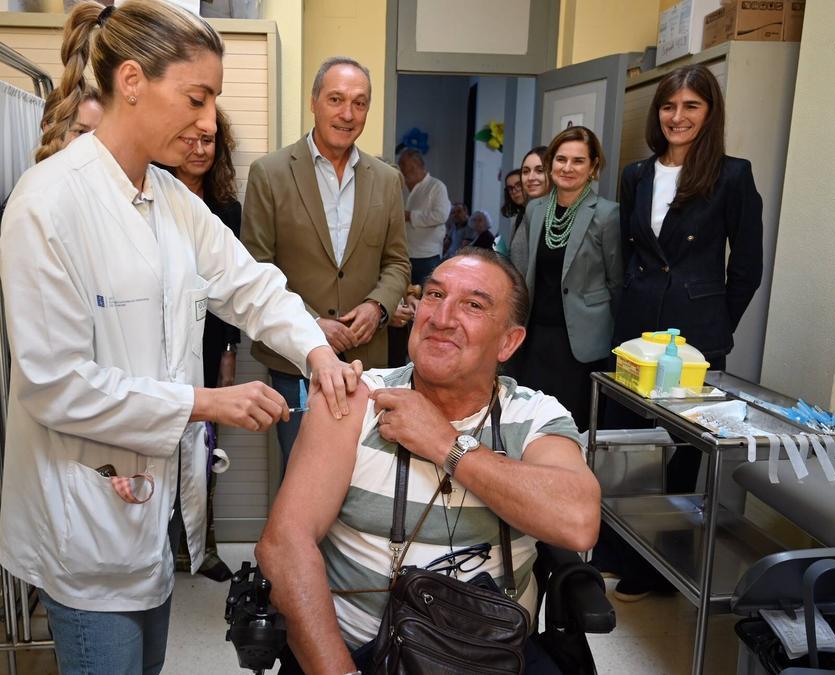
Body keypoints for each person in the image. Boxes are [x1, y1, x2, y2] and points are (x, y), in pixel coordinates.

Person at [0, 4, 361, 674]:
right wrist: (203, 403)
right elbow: (55, 385)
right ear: (131, 81)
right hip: (82, 525)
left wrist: (316, 351)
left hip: (146, 512)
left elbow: (251, 284)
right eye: (197, 97)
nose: (207, 120)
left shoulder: (170, 199)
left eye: (212, 99)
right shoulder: (48, 205)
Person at [257, 248, 602, 674]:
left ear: (508, 342)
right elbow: (284, 545)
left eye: (473, 305)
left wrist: (447, 444)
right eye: (434, 296)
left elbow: (579, 522)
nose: (441, 317)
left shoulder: (533, 416)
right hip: (364, 654)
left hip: (494, 653)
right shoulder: (356, 397)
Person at [601, 63, 763, 602]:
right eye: (669, 107)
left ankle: (663, 565)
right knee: (628, 443)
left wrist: (715, 327)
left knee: (682, 451)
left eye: (691, 106)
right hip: (636, 329)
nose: (677, 116)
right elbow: (630, 253)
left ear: (709, 113)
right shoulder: (635, 175)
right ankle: (618, 549)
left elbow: (746, 269)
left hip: (695, 336)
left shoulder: (733, 176)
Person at [242, 56, 410, 475]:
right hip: (295, 362)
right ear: (314, 102)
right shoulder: (270, 173)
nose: (348, 114)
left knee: (365, 478)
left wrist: (378, 307)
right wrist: (309, 323)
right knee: (302, 477)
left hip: (368, 363)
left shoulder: (387, 180)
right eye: (336, 99)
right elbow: (256, 269)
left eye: (359, 102)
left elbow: (397, 263)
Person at [160, 107, 242, 583]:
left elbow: (235, 289)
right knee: (162, 443)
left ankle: (202, 547)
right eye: (188, 139)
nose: (198, 149)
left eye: (208, 141)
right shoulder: (148, 195)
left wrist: (229, 352)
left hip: (211, 339)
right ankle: (165, 549)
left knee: (207, 450)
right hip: (163, 338)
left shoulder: (226, 206)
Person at [509, 125, 621, 431]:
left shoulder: (607, 214)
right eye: (561, 159)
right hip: (535, 338)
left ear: (594, 167)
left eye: (578, 161)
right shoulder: (536, 209)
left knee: (570, 426)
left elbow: (617, 283)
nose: (567, 168)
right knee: (529, 422)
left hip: (580, 344)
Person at [397, 147, 451, 285]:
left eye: (403, 165)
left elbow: (440, 216)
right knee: (405, 297)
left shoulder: (436, 187)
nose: (401, 169)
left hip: (427, 256)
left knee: (425, 297)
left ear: (416, 166)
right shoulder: (403, 187)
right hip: (404, 254)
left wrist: (410, 216)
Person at [36, 83, 102, 163]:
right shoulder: (39, 175)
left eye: (98, 133)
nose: (93, 142)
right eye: (81, 131)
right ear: (48, 129)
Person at [510, 145, 550, 271]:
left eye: (539, 170)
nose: (531, 178)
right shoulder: (528, 213)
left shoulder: (560, 214)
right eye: (526, 171)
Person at [494, 168, 525, 256]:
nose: (514, 191)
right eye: (510, 188)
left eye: (518, 185)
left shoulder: (537, 214)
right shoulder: (519, 216)